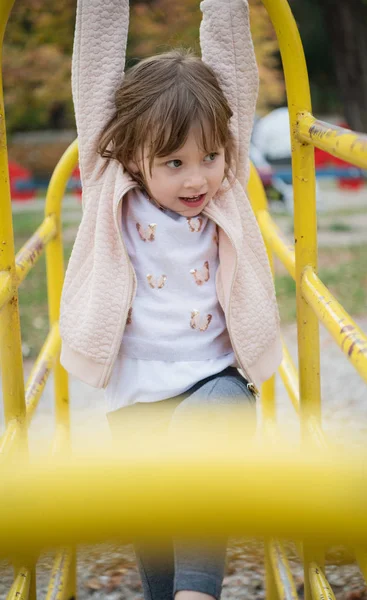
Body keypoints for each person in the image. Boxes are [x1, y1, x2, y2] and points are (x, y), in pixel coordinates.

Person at [59, 0, 282, 598]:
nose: (196, 179)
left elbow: (234, 62)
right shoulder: (109, 185)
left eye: (209, 157)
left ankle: (200, 590)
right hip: (136, 397)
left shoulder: (224, 188)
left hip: (214, 380)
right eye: (174, 163)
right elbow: (96, 65)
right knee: (156, 537)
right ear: (130, 155)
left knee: (201, 453)